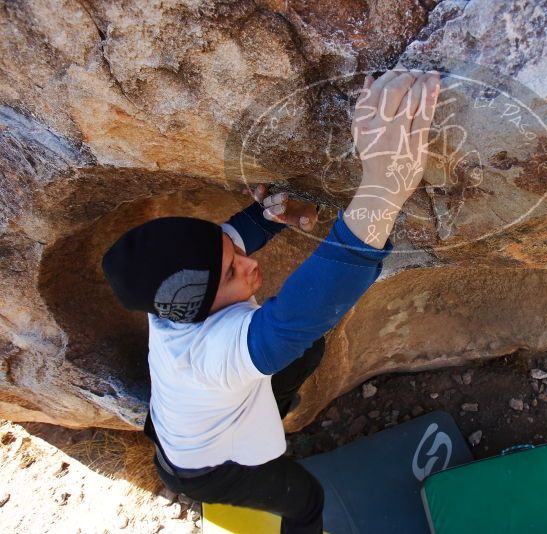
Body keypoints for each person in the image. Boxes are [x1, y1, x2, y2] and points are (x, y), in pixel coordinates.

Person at [101, 68, 440, 534]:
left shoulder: (172, 295)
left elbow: (242, 232)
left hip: (182, 421)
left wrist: (278, 212)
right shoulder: (211, 357)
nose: (247, 266)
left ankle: (272, 406)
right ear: (194, 305)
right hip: (210, 470)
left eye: (234, 254)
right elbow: (305, 308)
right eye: (231, 274)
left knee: (309, 351)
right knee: (305, 501)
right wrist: (383, 187)